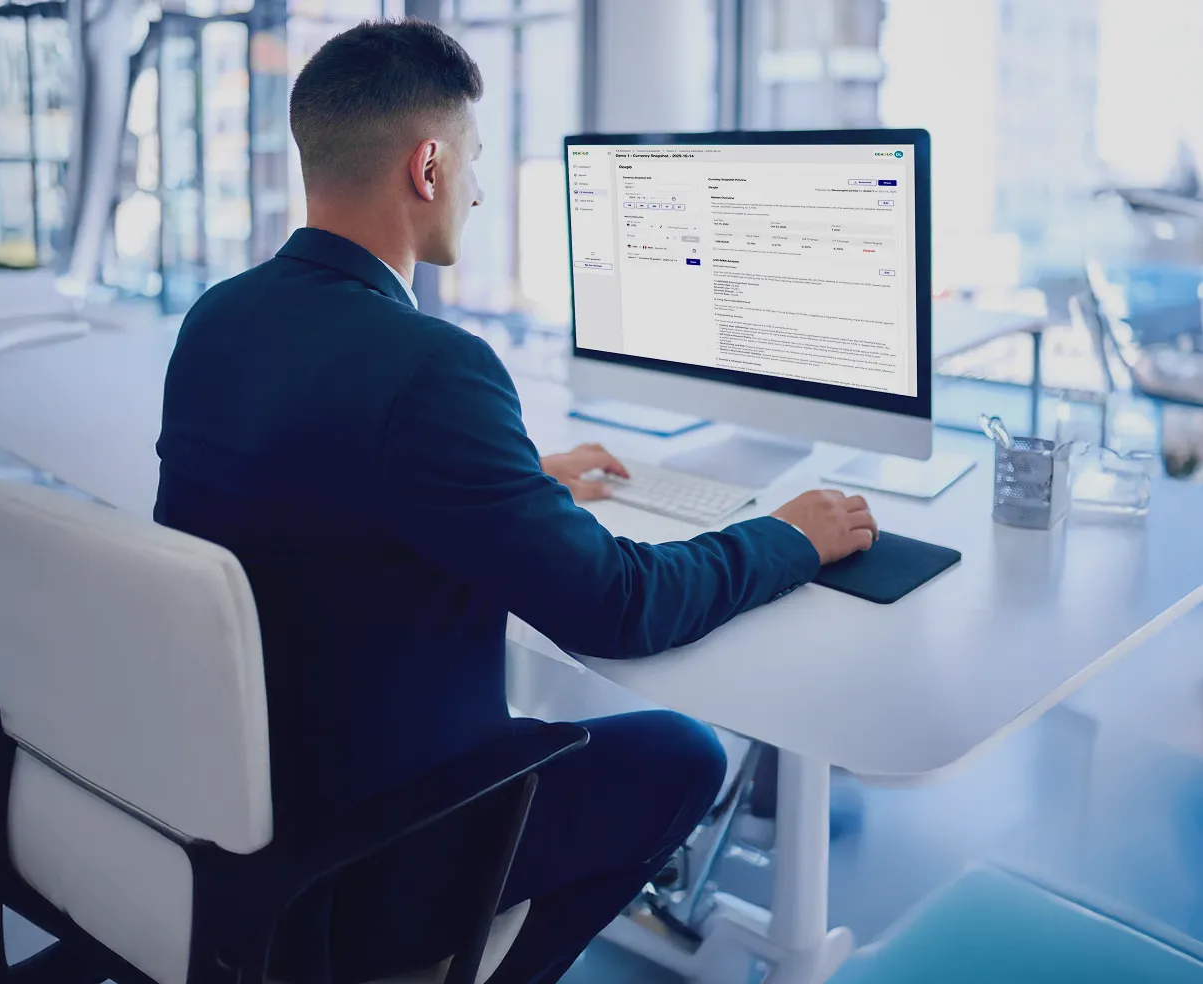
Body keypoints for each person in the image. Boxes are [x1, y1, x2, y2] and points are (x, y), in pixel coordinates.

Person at [153, 18, 878, 984]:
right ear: (428, 167)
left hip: (231, 822)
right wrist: (791, 535)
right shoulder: (431, 367)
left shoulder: (221, 317)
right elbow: (620, 605)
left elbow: (317, 478)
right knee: (684, 753)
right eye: (477, 161)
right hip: (369, 861)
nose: (481, 189)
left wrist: (513, 477)